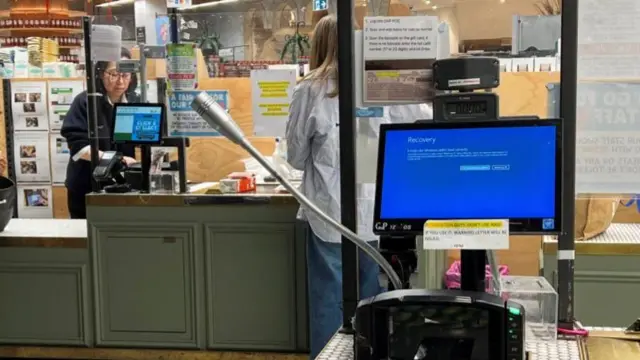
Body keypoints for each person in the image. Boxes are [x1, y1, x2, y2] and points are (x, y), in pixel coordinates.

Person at [286, 15, 433, 359]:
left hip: (329, 213)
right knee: (369, 298)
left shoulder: (310, 89)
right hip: (374, 211)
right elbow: (419, 126)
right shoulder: (383, 82)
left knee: (328, 301)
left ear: (318, 46)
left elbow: (294, 156)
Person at [61, 47, 139, 219]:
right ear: (101, 74)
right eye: (113, 74)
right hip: (86, 186)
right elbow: (79, 147)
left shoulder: (135, 102)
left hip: (122, 187)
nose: (120, 81)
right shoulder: (85, 102)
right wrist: (117, 159)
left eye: (125, 75)